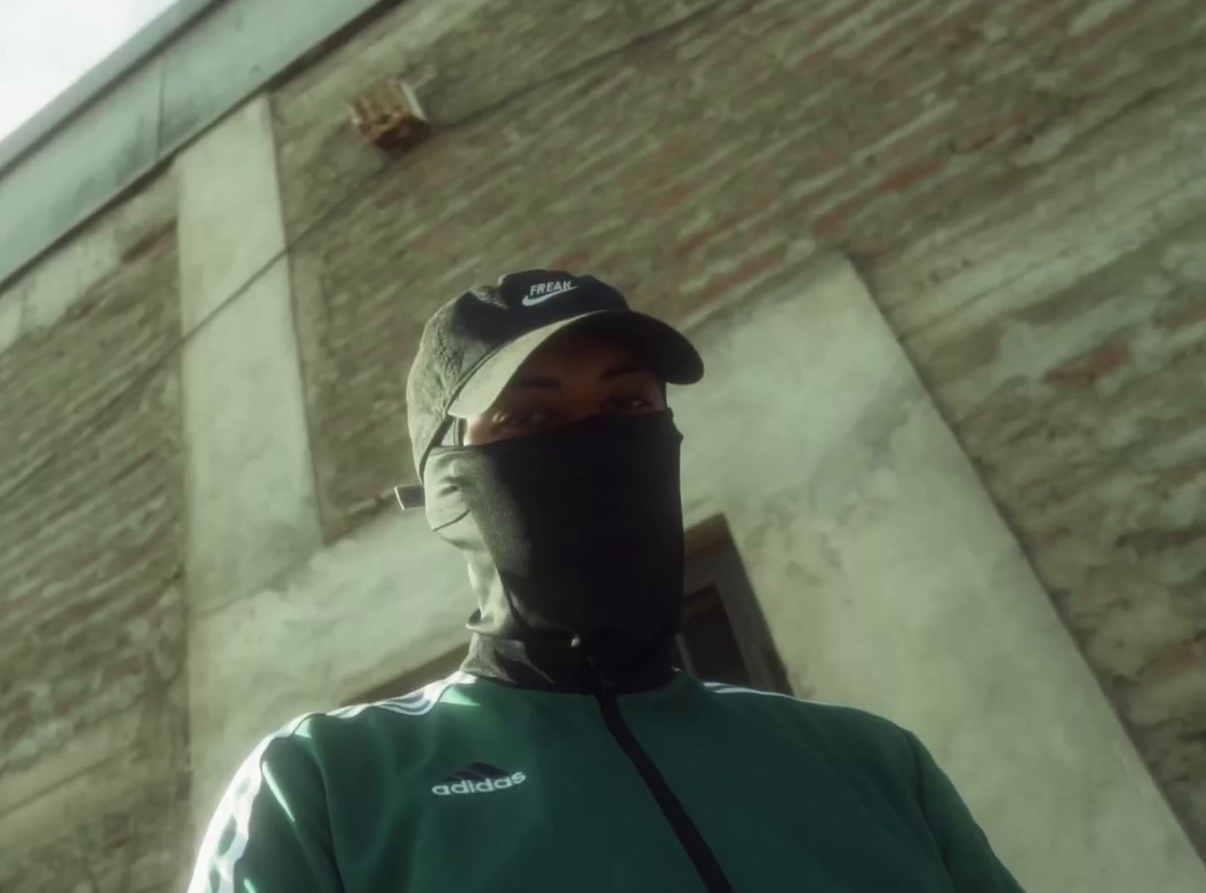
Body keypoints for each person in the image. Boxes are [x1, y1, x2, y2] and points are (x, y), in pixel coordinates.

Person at [187, 270, 1025, 893]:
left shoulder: (869, 762)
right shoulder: (328, 783)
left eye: (627, 407)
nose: (592, 447)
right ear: (446, 482)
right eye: (531, 418)